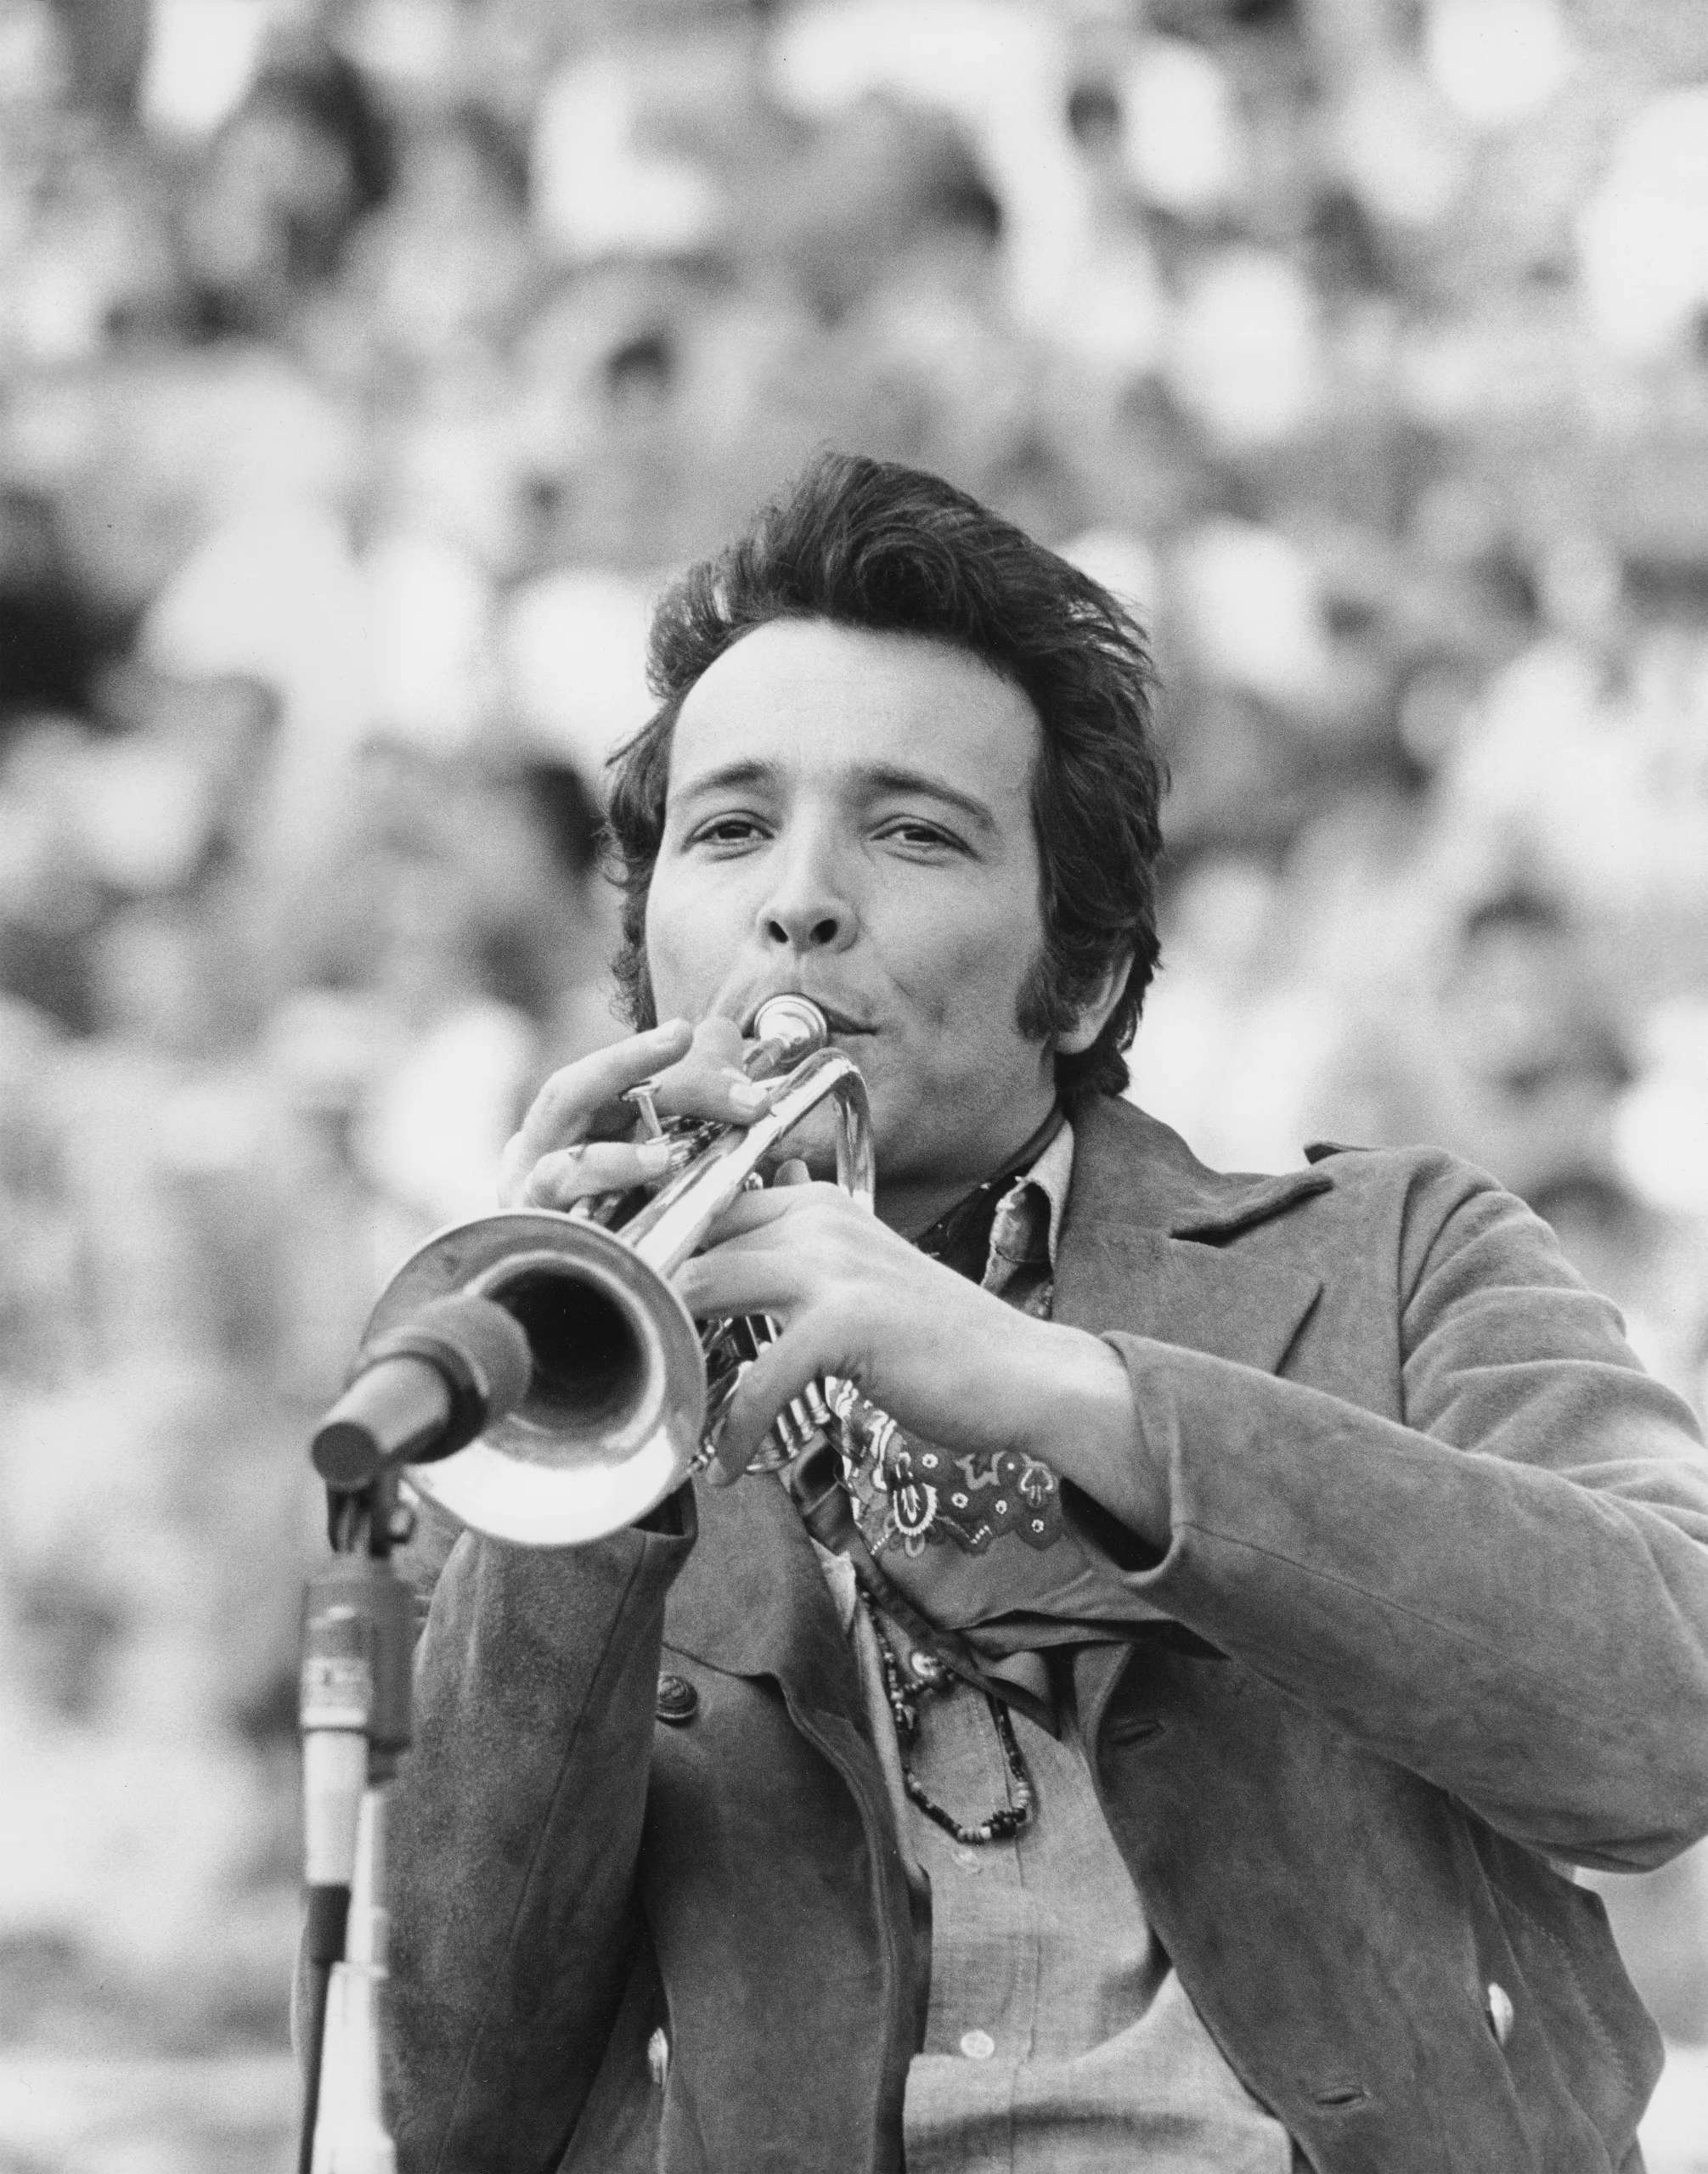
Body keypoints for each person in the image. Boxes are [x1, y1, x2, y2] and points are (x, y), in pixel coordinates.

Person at [380, 453, 1708, 2174]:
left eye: (914, 827)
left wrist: (1073, 1393)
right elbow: (461, 2108)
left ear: (1078, 974)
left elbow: (1665, 1724)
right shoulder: (541, 1404)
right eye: (728, 827)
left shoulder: (1398, 1252)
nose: (799, 896)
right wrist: (567, 1490)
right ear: (648, 962)